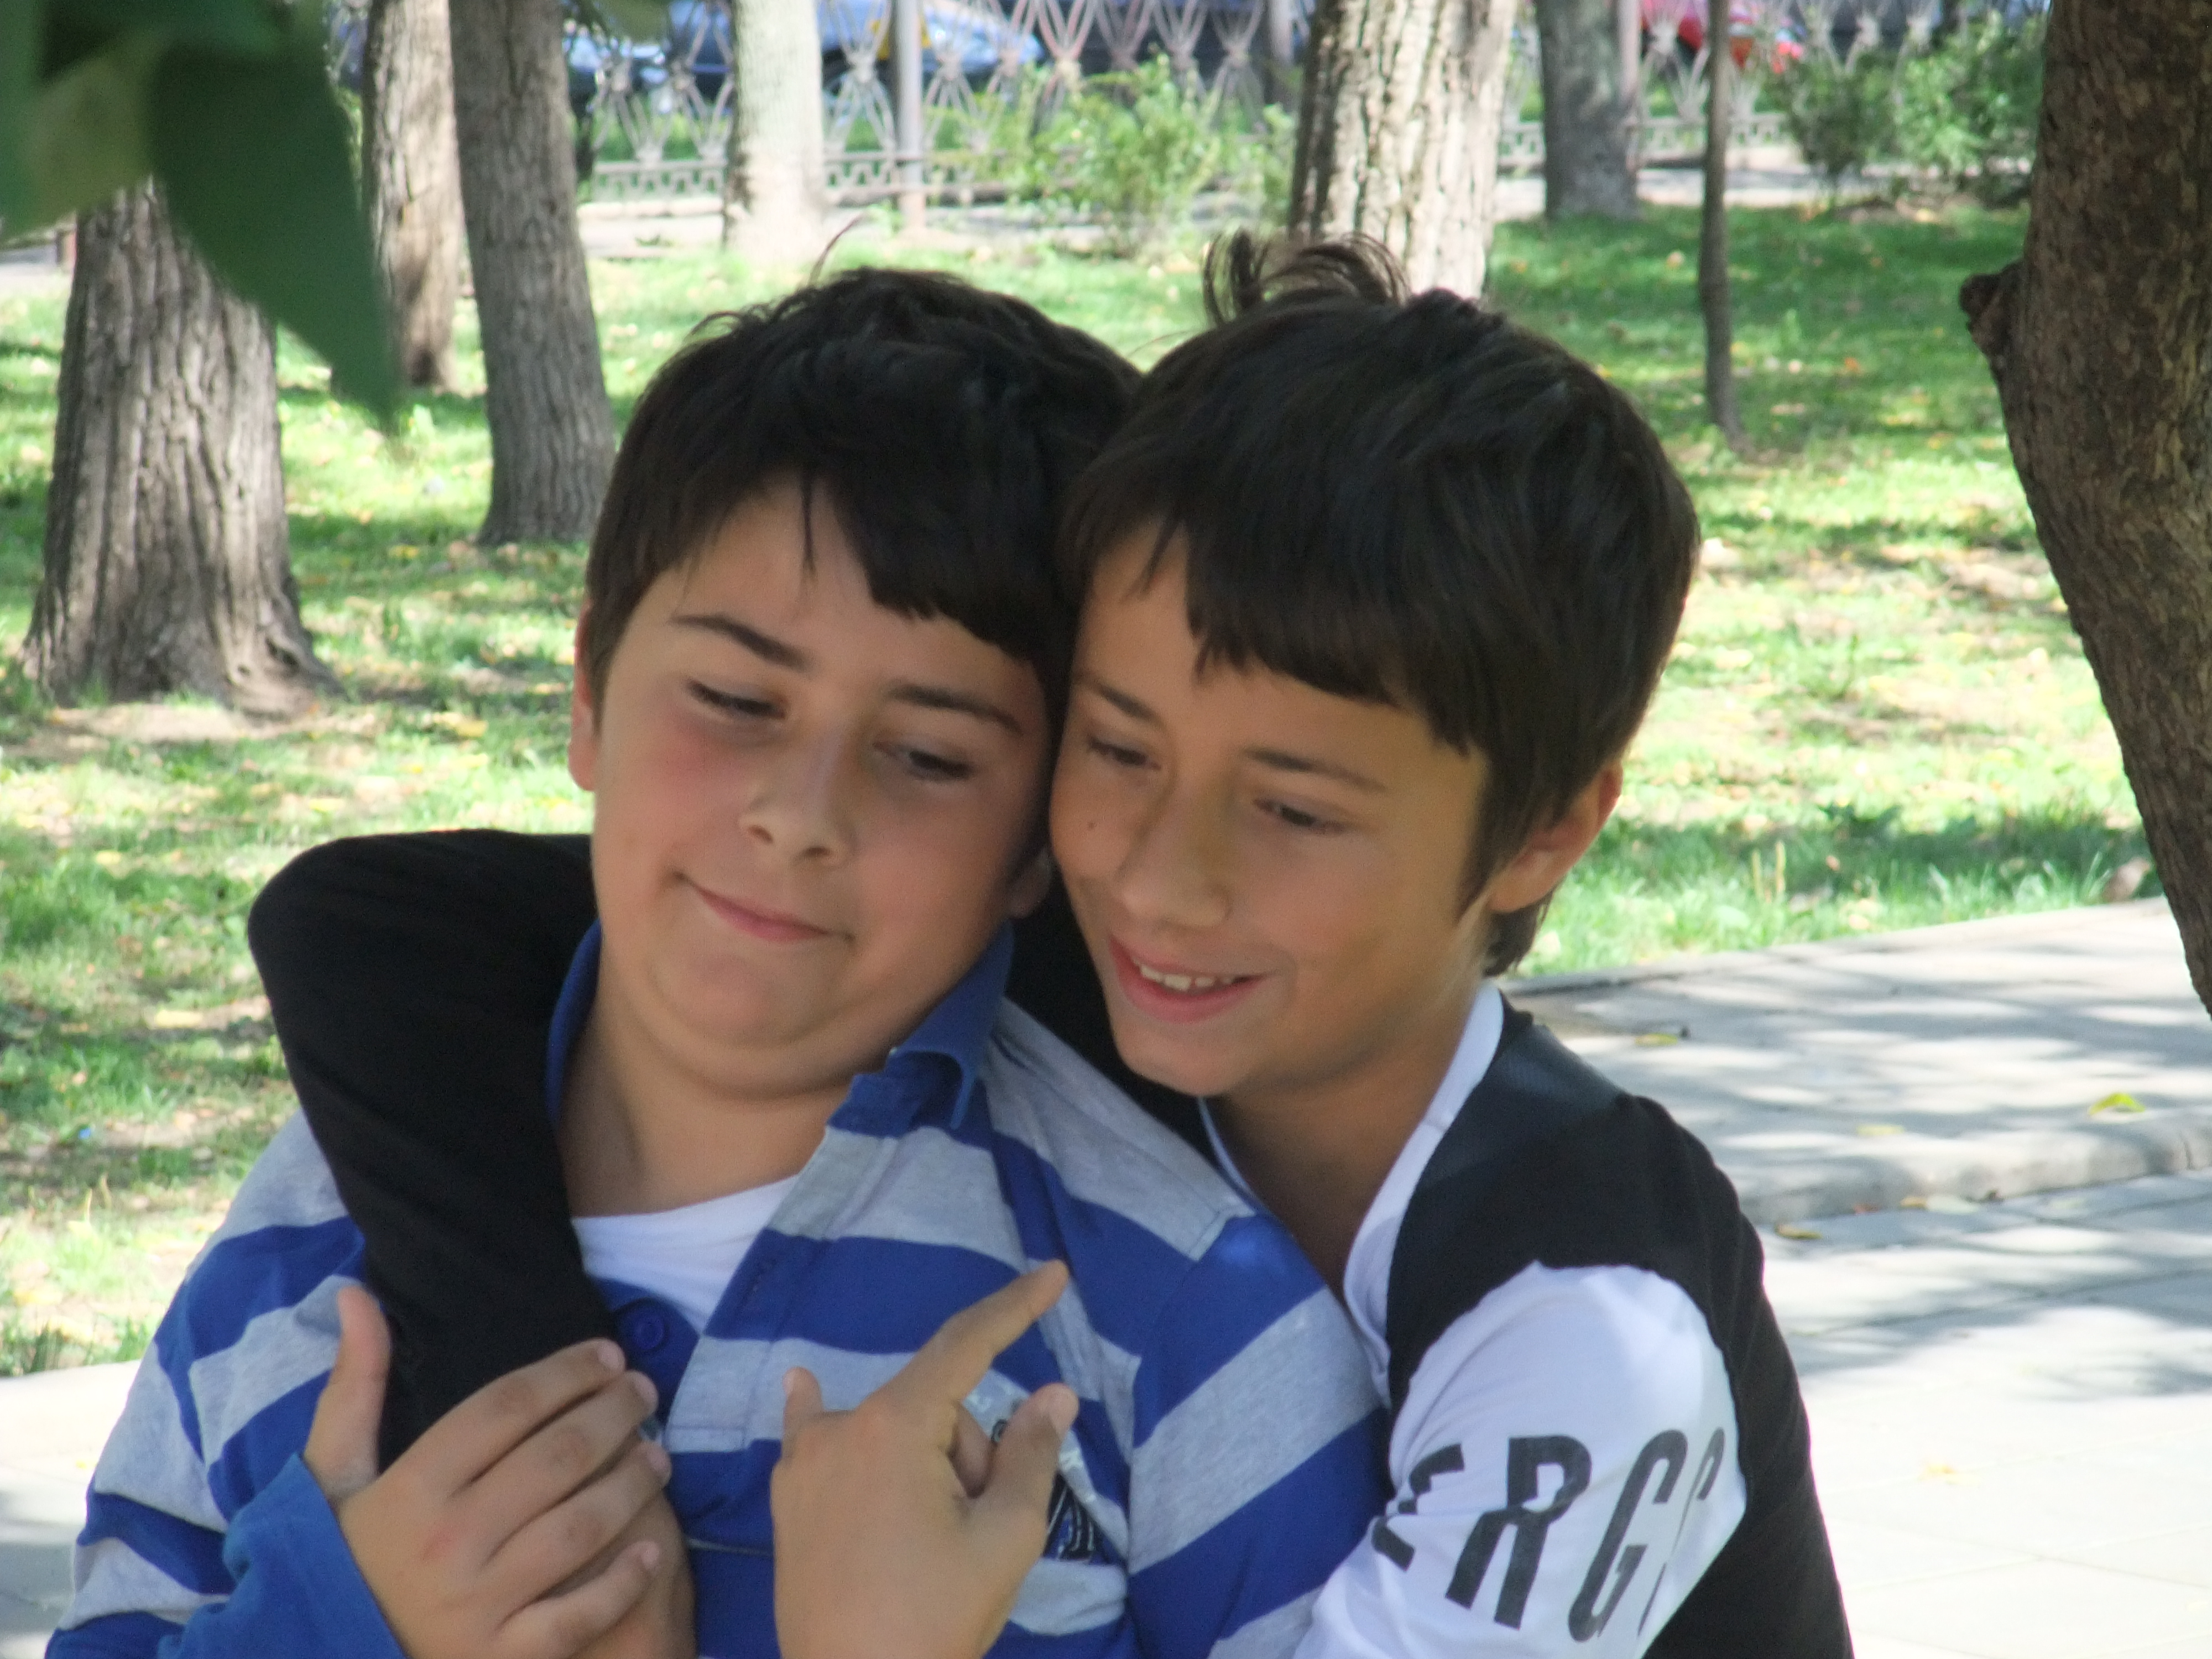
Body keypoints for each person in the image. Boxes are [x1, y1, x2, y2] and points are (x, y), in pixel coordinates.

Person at [240, 236, 1852, 1657]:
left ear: (1545, 830)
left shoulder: (1585, 1332)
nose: (1160, 874)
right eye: (1117, 746)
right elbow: (370, 924)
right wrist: (536, 1453)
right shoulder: (1083, 939)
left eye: (1294, 810)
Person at [49, 267, 1385, 1659]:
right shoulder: (312, 1230)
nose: (800, 814)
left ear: (1037, 840)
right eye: (738, 699)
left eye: (929, 757)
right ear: (587, 694)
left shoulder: (1185, 1324)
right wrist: (338, 1622)